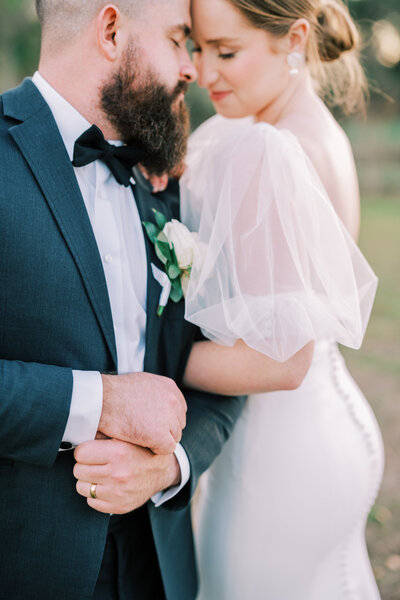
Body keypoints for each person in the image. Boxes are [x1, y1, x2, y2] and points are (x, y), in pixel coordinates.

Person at [0, 1, 255, 599]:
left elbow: (224, 364)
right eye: (176, 40)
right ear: (112, 30)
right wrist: (97, 402)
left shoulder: (166, 179)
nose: (191, 67)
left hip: (161, 569)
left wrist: (170, 465)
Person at [175, 0, 384, 598]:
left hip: (279, 462)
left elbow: (277, 359)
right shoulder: (314, 130)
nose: (204, 70)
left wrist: (138, 355)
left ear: (292, 39)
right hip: (331, 420)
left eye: (227, 51)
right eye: (198, 46)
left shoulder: (268, 151)